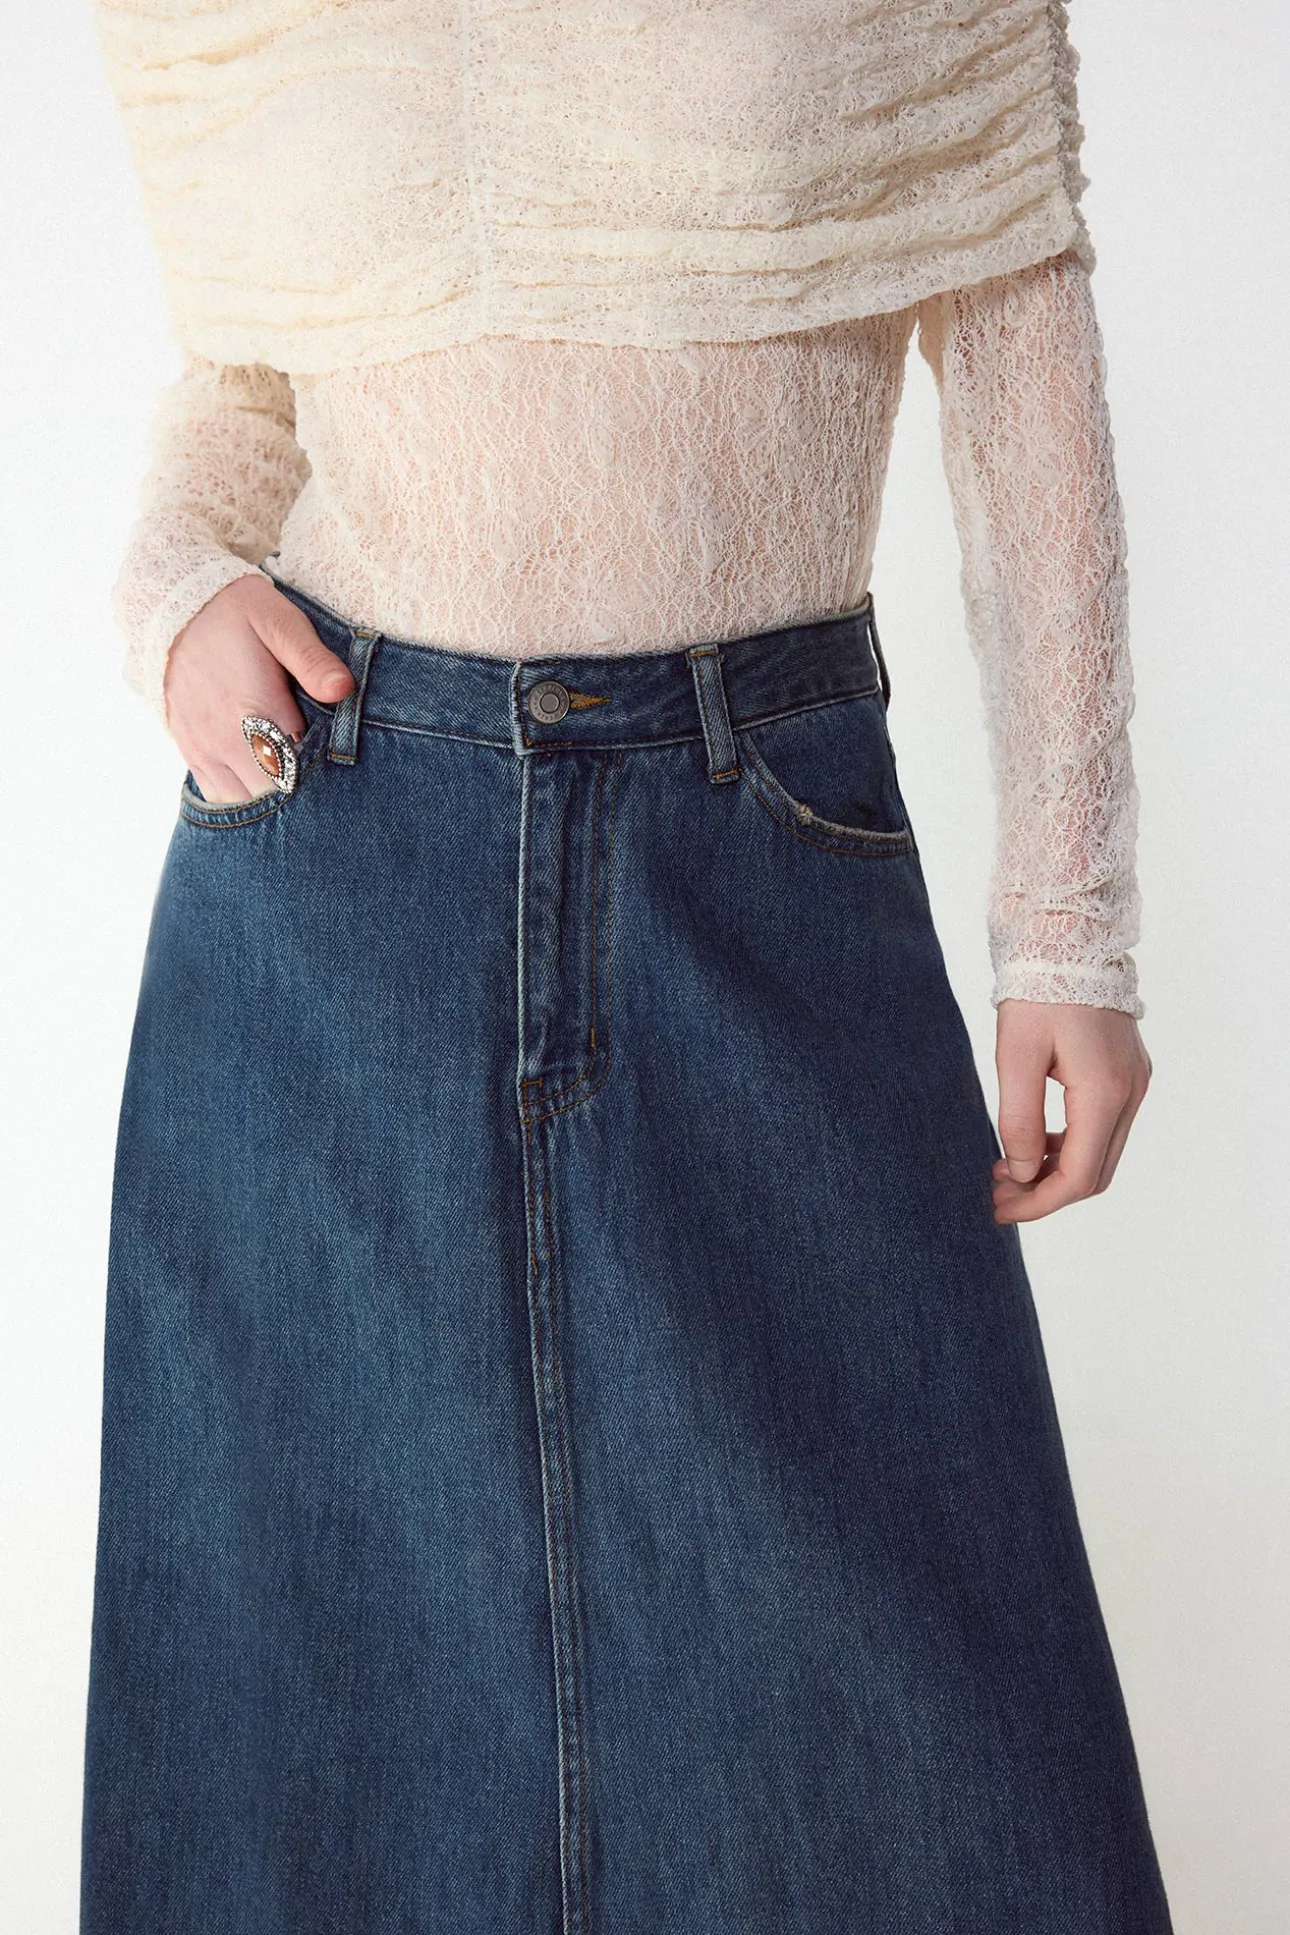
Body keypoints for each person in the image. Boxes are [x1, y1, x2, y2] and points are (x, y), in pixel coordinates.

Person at [84, 3, 1171, 1931]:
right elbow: (254, 365)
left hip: (766, 836)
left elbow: (1019, 321)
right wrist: (170, 589)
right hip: (330, 872)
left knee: (934, 1754)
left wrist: (1067, 914)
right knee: (314, 1740)